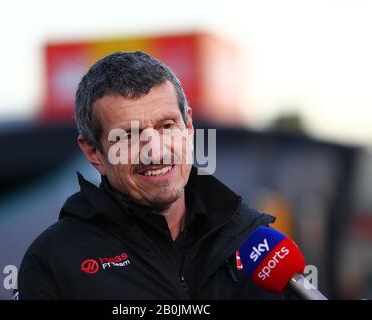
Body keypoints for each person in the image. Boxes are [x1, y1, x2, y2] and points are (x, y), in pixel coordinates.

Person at [17, 51, 286, 299]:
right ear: (93, 152)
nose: (155, 152)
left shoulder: (253, 241)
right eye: (130, 135)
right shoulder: (53, 261)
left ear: (189, 126)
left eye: (167, 126)